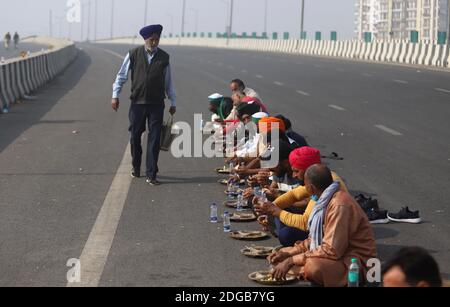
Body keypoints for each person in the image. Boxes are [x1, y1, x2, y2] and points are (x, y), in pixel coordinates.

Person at [268, 164, 377, 287]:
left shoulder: (339, 205)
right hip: (338, 254)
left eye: (305, 185)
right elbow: (315, 239)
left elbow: (331, 250)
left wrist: (292, 260)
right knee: (282, 252)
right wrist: (289, 254)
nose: (304, 188)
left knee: (313, 267)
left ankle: (298, 271)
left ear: (312, 188)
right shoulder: (327, 198)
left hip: (357, 262)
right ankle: (292, 269)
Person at [111, 24, 176, 186]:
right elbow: (121, 76)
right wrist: (115, 95)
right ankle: (136, 166)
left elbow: (169, 82)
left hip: (156, 104)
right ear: (145, 39)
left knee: (154, 139)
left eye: (157, 39)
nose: (154, 42)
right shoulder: (133, 54)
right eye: (151, 39)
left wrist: (173, 101)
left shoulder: (164, 58)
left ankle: (152, 173)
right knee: (134, 136)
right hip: (137, 103)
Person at [254, 146, 347, 247]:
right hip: (322, 227)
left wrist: (274, 210)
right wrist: (271, 206)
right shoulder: (324, 176)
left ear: (309, 170)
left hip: (334, 237)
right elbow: (293, 194)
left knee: (286, 234)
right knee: (278, 212)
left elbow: (305, 222)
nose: (294, 175)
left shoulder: (323, 184)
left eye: (297, 171)